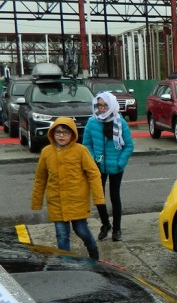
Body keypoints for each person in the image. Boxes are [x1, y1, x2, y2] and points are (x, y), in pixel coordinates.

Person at [31, 117, 104, 260]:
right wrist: (36, 201)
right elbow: (40, 178)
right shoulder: (46, 152)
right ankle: (65, 262)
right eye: (58, 132)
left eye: (65, 132)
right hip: (56, 202)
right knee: (62, 235)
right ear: (52, 133)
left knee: (82, 231)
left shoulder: (80, 150)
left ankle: (93, 252)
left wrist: (99, 198)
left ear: (72, 134)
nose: (61, 135)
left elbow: (94, 174)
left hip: (77, 202)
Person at [83, 91, 134, 242]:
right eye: (99, 105)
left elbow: (129, 146)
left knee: (114, 196)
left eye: (105, 105)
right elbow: (87, 144)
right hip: (98, 166)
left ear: (111, 105)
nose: (102, 108)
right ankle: (105, 224)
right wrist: (94, 159)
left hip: (116, 166)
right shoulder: (92, 122)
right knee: (99, 197)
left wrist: (120, 162)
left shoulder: (120, 122)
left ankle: (117, 228)